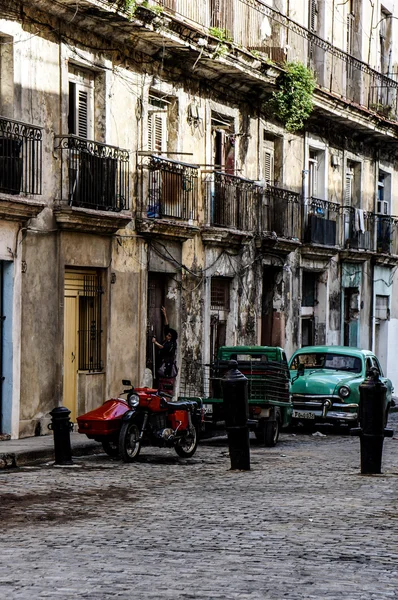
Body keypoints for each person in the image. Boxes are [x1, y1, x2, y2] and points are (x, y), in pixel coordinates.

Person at [152, 306, 178, 378]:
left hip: (166, 365)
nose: (166, 336)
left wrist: (155, 342)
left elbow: (162, 347)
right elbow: (166, 326)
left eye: (169, 335)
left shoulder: (172, 344)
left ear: (171, 337)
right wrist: (165, 314)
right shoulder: (167, 340)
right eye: (167, 335)